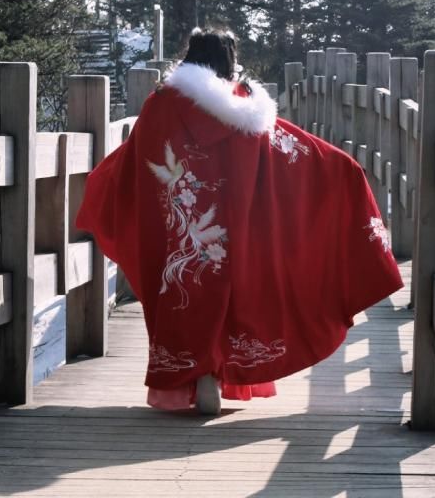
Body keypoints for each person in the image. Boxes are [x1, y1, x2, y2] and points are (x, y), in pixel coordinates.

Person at [74, 28, 404, 414]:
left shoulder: (161, 104)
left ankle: (198, 375)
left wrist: (107, 186)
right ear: (229, 61)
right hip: (242, 228)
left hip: (180, 230)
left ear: (189, 58)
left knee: (183, 289)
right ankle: (221, 370)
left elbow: (136, 160)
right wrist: (342, 170)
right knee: (238, 294)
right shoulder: (248, 109)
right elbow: (289, 150)